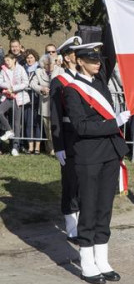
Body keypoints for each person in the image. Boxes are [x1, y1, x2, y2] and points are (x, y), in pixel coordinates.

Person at [63, 41, 130, 284]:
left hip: (109, 153)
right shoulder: (71, 90)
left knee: (104, 208)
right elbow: (80, 126)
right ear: (79, 61)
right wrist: (114, 123)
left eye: (98, 59)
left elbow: (111, 55)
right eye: (91, 60)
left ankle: (102, 258)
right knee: (88, 207)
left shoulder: (101, 83)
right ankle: (87, 261)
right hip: (88, 155)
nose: (97, 63)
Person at [50, 36, 82, 241]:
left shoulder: (84, 78)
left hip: (85, 138)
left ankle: (84, 223)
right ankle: (72, 227)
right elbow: (55, 115)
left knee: (84, 181)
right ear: (69, 57)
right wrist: (58, 145)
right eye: (77, 53)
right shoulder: (59, 81)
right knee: (70, 182)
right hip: (68, 138)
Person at [30, 53, 62, 154]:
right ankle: (51, 148)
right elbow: (32, 83)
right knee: (48, 128)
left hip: (58, 103)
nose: (50, 66)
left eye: (51, 63)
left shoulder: (60, 70)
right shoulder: (39, 72)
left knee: (58, 127)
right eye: (47, 64)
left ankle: (59, 147)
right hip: (45, 104)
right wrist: (41, 89)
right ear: (43, 65)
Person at [0, 52, 30, 155]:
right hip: (7, 98)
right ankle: (9, 130)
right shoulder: (3, 70)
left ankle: (15, 147)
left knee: (17, 123)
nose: (6, 62)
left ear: (14, 60)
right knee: (0, 112)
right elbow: (0, 81)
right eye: (5, 61)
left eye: (8, 60)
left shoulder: (20, 69)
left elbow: (26, 83)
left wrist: (13, 88)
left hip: (18, 98)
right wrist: (7, 86)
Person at [23, 49, 41, 154]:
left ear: (35, 58)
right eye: (27, 58)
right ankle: (30, 147)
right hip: (27, 99)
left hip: (38, 99)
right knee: (28, 123)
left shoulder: (39, 68)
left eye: (31, 57)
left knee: (37, 123)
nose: (29, 60)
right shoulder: (23, 69)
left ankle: (37, 147)